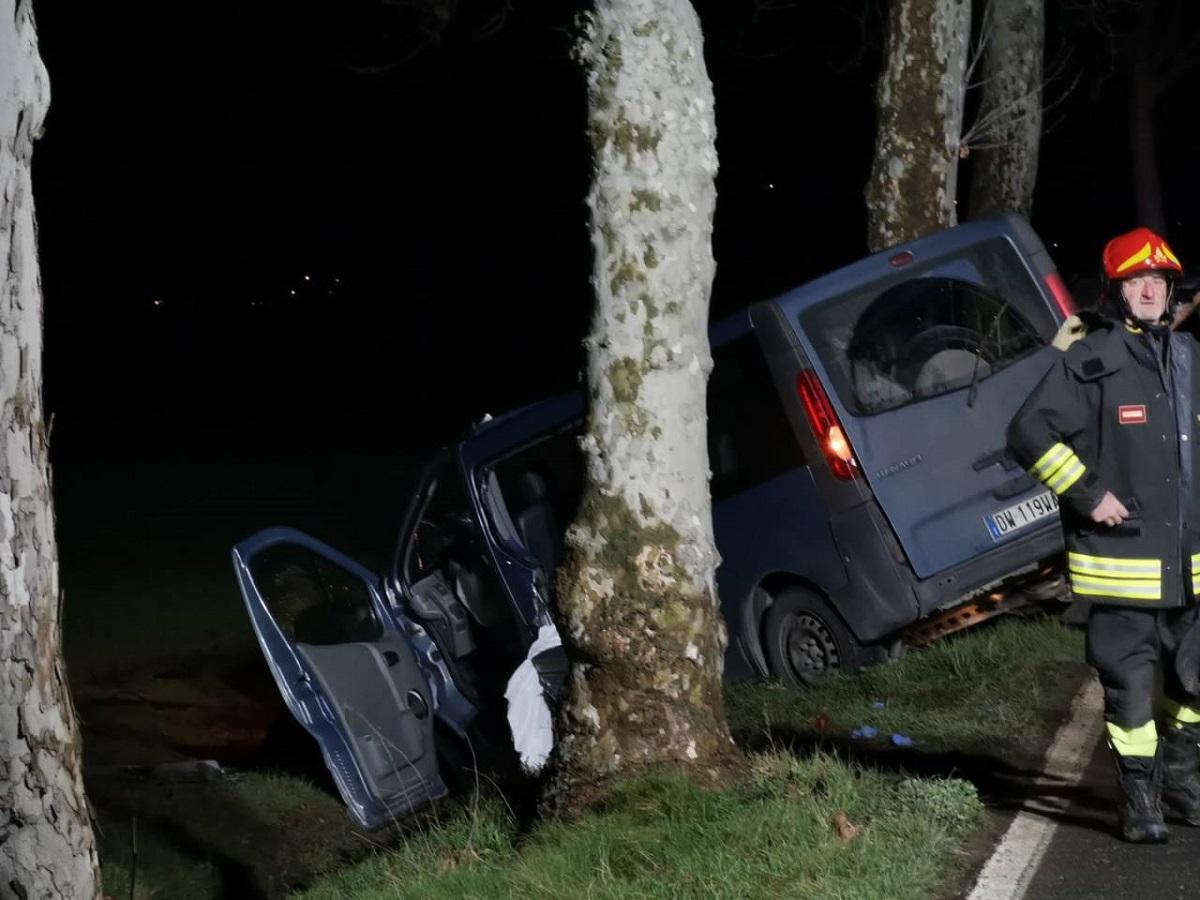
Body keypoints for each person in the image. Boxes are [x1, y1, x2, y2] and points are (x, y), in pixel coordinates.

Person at [1008, 226, 1200, 843]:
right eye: (1137, 282)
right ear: (1118, 293)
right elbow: (1028, 433)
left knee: (1193, 686)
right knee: (1132, 693)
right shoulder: (1091, 361)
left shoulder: (1191, 359)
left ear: (1171, 293)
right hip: (1123, 571)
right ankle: (1139, 801)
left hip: (1190, 567)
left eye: (1159, 282)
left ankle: (1181, 783)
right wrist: (1091, 495)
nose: (1149, 290)